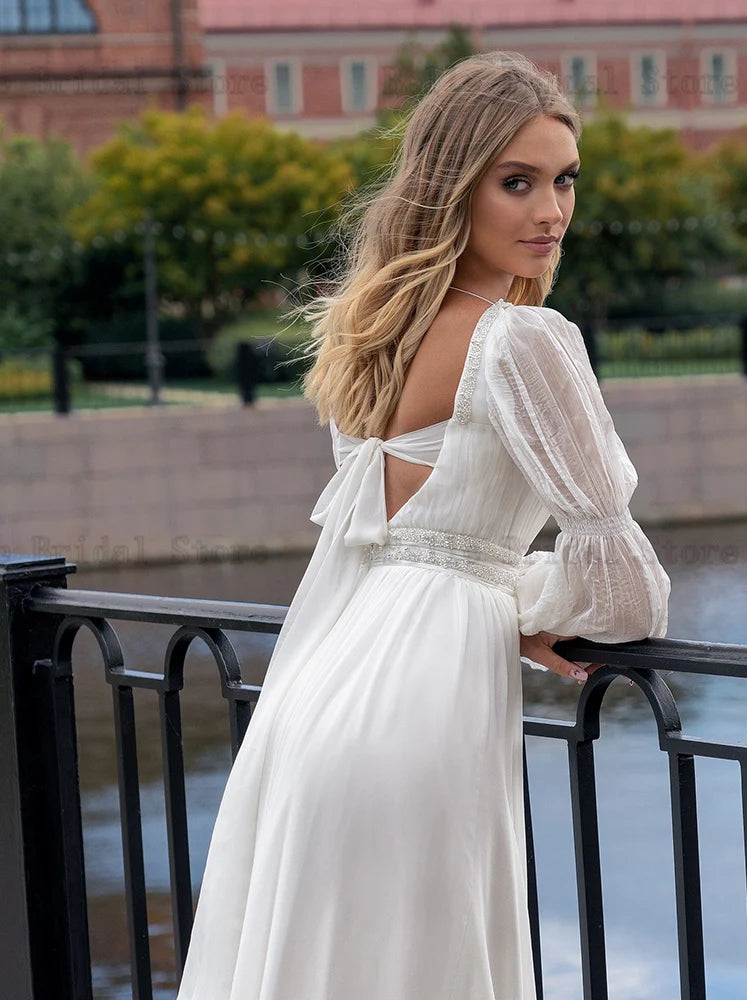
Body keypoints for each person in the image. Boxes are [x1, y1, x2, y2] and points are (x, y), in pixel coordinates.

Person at [174, 49, 670, 1000]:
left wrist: (503, 591)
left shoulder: (373, 326)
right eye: (515, 182)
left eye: (564, 181)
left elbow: (406, 540)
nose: (550, 211)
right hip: (419, 720)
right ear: (455, 187)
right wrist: (525, 603)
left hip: (314, 709)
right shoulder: (523, 338)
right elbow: (627, 589)